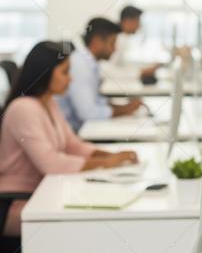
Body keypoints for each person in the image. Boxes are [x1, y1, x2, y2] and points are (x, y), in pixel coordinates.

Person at [0, 41, 139, 237]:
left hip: (44, 193)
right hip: (19, 203)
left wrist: (111, 156)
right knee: (87, 227)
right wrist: (107, 163)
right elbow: (51, 163)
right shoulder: (23, 108)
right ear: (45, 73)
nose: (70, 79)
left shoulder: (48, 102)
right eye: (65, 72)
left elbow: (71, 144)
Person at [58, 18, 142, 131]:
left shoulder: (90, 63)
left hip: (82, 130)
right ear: (97, 42)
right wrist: (125, 110)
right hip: (74, 133)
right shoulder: (80, 66)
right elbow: (88, 113)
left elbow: (97, 101)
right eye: (112, 43)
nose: (115, 49)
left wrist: (125, 107)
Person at [105, 5, 159, 79]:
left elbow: (121, 66)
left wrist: (143, 69)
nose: (139, 25)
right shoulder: (117, 39)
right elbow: (109, 70)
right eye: (138, 21)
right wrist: (140, 73)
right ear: (127, 21)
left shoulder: (123, 38)